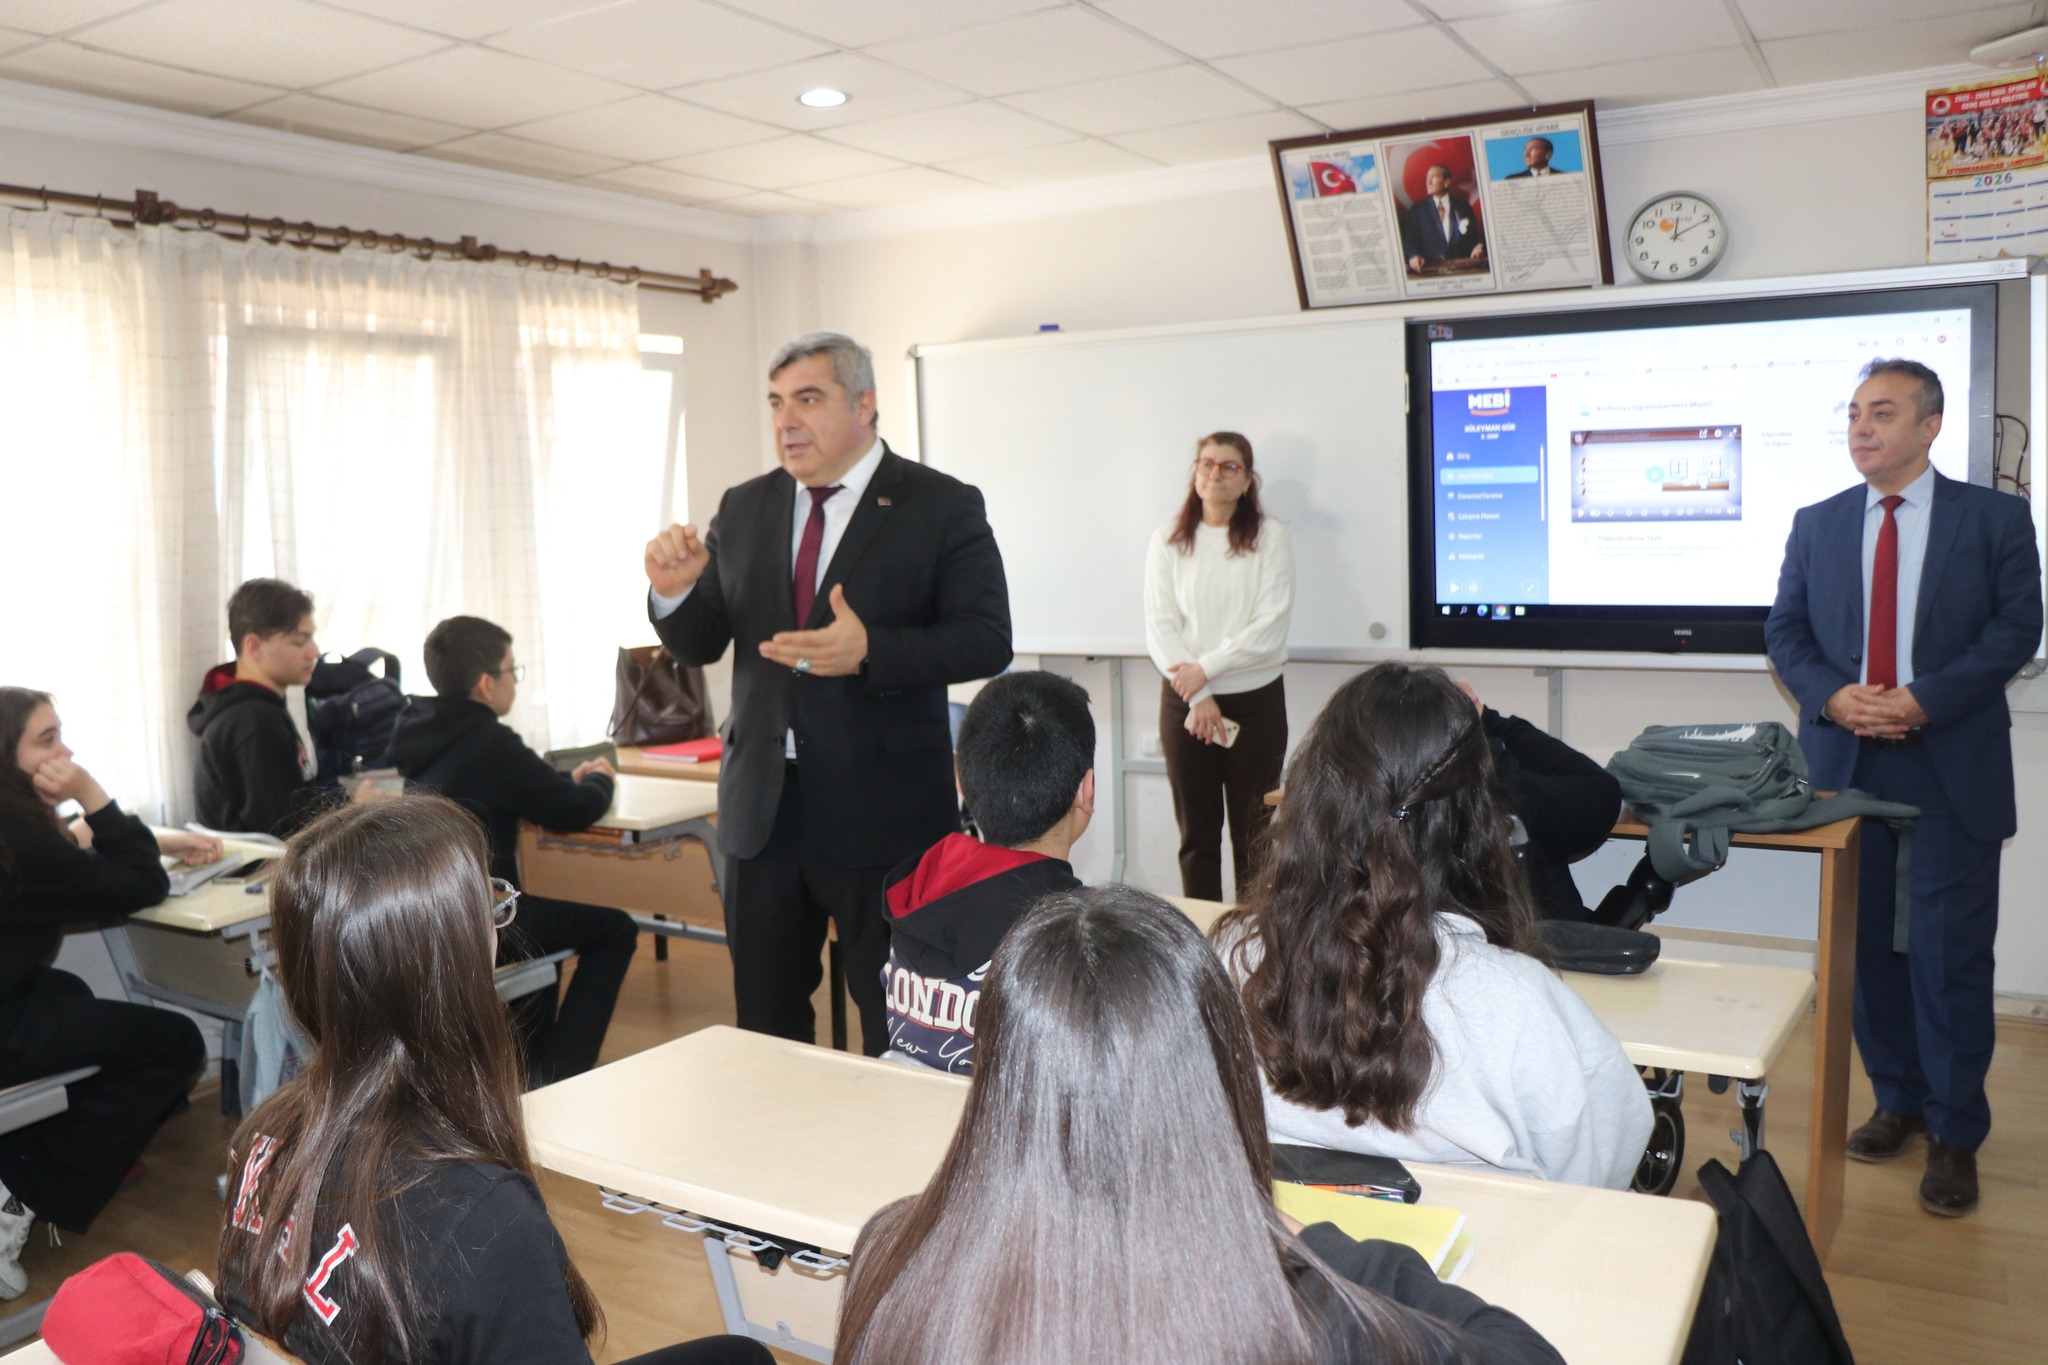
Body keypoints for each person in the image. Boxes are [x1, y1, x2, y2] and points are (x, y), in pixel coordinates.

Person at [836, 884, 1563, 1365]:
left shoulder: (890, 1255)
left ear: (999, 1072)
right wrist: (1323, 1248)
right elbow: (1524, 1353)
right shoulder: (1303, 1322)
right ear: (1217, 1075)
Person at [212, 796, 767, 1365]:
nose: (501, 919)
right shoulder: (480, 1218)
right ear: (452, 957)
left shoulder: (262, 1134)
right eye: (488, 905)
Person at [643, 332, 1012, 1055]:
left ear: (864, 404)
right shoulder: (744, 506)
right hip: (762, 812)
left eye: (808, 400)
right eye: (776, 402)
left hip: (886, 813)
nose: (786, 421)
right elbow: (702, 641)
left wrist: (873, 651)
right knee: (766, 1028)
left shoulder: (939, 503)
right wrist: (673, 593)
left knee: (895, 1028)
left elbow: (987, 637)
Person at [1765, 358, 2042, 1218]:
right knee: (1865, 954)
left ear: (1929, 425)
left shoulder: (1994, 518)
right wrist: (1831, 695)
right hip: (1847, 765)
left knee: (1948, 954)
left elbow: (2017, 627)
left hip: (1948, 759)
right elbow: (1786, 630)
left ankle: (1956, 1131)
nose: (1862, 428)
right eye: (1854, 413)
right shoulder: (1817, 523)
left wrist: (1926, 697)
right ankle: (1899, 1101)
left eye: (1882, 412)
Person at [1217, 664, 1650, 1189]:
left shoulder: (1234, 961)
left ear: (1311, 802)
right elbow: (1601, 1173)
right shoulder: (1521, 1004)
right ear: (1477, 820)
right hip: (1482, 1244)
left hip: (1286, 1238)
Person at [0, 687, 209, 1298]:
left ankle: (21, 1160)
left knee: (65, 989)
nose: (64, 753)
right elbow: (143, 884)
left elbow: (66, 851)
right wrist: (92, 793)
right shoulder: (23, 842)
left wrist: (159, 839)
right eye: (46, 741)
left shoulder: (15, 832)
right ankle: (19, 1199)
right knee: (175, 1043)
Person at [390, 616, 638, 1085]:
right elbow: (573, 809)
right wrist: (600, 778)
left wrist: (565, 780)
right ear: (487, 683)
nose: (515, 682)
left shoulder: (422, 731)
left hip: (435, 911)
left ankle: (528, 1070)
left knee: (542, 935)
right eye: (512, 671)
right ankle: (560, 1074)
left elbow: (518, 786)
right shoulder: (488, 740)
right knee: (614, 930)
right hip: (484, 915)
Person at [880, 671, 1093, 1074]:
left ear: (961, 782)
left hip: (906, 1107)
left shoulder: (919, 892)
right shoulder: (1083, 935)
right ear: (1087, 790)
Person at [1144, 432, 1294, 901]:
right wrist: (1200, 692)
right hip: (1186, 703)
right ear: (1195, 472)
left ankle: (1254, 935)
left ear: (1248, 481)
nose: (1215, 473)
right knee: (1197, 837)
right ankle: (1201, 938)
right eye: (1206, 463)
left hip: (1255, 701)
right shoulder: (1168, 540)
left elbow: (1269, 626)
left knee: (1255, 839)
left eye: (1229, 466)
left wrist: (1205, 669)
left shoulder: (1270, 538)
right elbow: (1160, 627)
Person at [188, 577, 323, 837]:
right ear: (254, 646)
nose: (314, 652)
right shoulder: (255, 723)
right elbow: (285, 833)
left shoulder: (253, 710)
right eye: (299, 642)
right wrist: (353, 811)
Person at [1476, 699, 1622, 921]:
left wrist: (1486, 720)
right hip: (1535, 934)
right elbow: (1602, 795)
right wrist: (1486, 721)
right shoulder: (1498, 788)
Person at [1404, 164, 1486, 273]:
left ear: (1446, 182)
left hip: (1461, 269)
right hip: (1429, 270)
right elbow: (1410, 240)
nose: (1428, 182)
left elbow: (1473, 237)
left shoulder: (1463, 206)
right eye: (1427, 178)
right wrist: (1413, 256)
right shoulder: (1418, 209)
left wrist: (1477, 247)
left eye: (1433, 177)